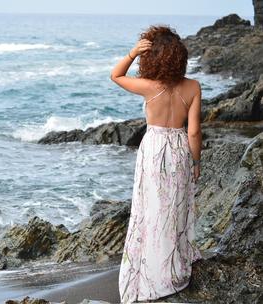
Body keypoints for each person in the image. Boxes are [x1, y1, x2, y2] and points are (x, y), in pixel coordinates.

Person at [110, 25, 203, 303]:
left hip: (153, 150)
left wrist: (132, 52)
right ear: (179, 57)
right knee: (175, 207)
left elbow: (115, 75)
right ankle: (173, 263)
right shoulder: (193, 86)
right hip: (179, 151)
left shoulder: (149, 87)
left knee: (151, 209)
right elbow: (194, 132)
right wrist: (196, 161)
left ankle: (151, 269)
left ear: (154, 58)